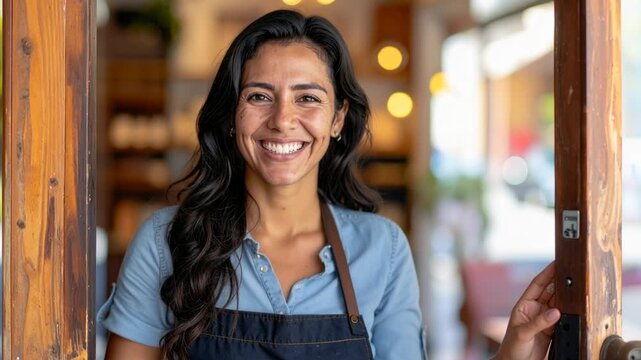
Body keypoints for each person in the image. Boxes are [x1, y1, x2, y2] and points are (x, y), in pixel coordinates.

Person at [98, 9, 560, 359]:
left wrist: (513, 349)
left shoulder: (383, 249)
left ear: (338, 118)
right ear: (232, 113)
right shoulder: (167, 242)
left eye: (308, 98)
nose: (283, 120)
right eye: (259, 96)